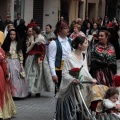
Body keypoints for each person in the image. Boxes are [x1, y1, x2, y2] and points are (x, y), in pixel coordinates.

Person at [56, 36, 96, 120]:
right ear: (79, 45)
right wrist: (73, 79)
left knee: (82, 108)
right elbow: (64, 73)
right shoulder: (69, 56)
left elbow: (85, 71)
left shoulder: (84, 56)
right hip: (70, 88)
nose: (87, 45)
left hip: (81, 86)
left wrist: (91, 79)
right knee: (70, 109)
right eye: (85, 43)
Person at [25, 26, 53, 97]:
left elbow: (43, 50)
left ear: (35, 31)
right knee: (30, 74)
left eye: (32, 30)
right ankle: (29, 90)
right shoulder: (32, 38)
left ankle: (37, 90)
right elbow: (29, 48)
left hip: (38, 58)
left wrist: (41, 58)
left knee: (39, 75)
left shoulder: (41, 39)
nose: (31, 31)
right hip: (31, 58)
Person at [2, 29, 28, 98]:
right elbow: (3, 52)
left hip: (15, 61)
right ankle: (8, 93)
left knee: (16, 77)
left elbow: (20, 54)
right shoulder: (6, 43)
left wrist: (21, 64)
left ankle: (16, 93)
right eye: (11, 34)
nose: (12, 36)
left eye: (14, 34)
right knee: (8, 77)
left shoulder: (18, 43)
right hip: (7, 61)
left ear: (16, 35)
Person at [48, 21, 72, 94]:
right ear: (59, 30)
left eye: (68, 28)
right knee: (60, 93)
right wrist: (53, 74)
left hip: (70, 69)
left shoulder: (70, 41)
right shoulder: (54, 43)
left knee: (69, 92)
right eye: (65, 28)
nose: (68, 30)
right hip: (59, 69)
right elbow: (51, 59)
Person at [0, 31, 16, 119]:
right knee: (1, 91)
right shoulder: (1, 51)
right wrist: (7, 74)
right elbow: (4, 64)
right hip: (0, 73)